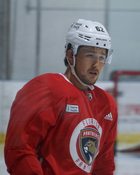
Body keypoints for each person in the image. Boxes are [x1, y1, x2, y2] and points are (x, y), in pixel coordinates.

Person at [4, 19, 118, 175]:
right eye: (90, 55)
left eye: (102, 57)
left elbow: (103, 164)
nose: (96, 64)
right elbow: (20, 150)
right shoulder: (44, 90)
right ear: (71, 55)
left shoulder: (107, 104)